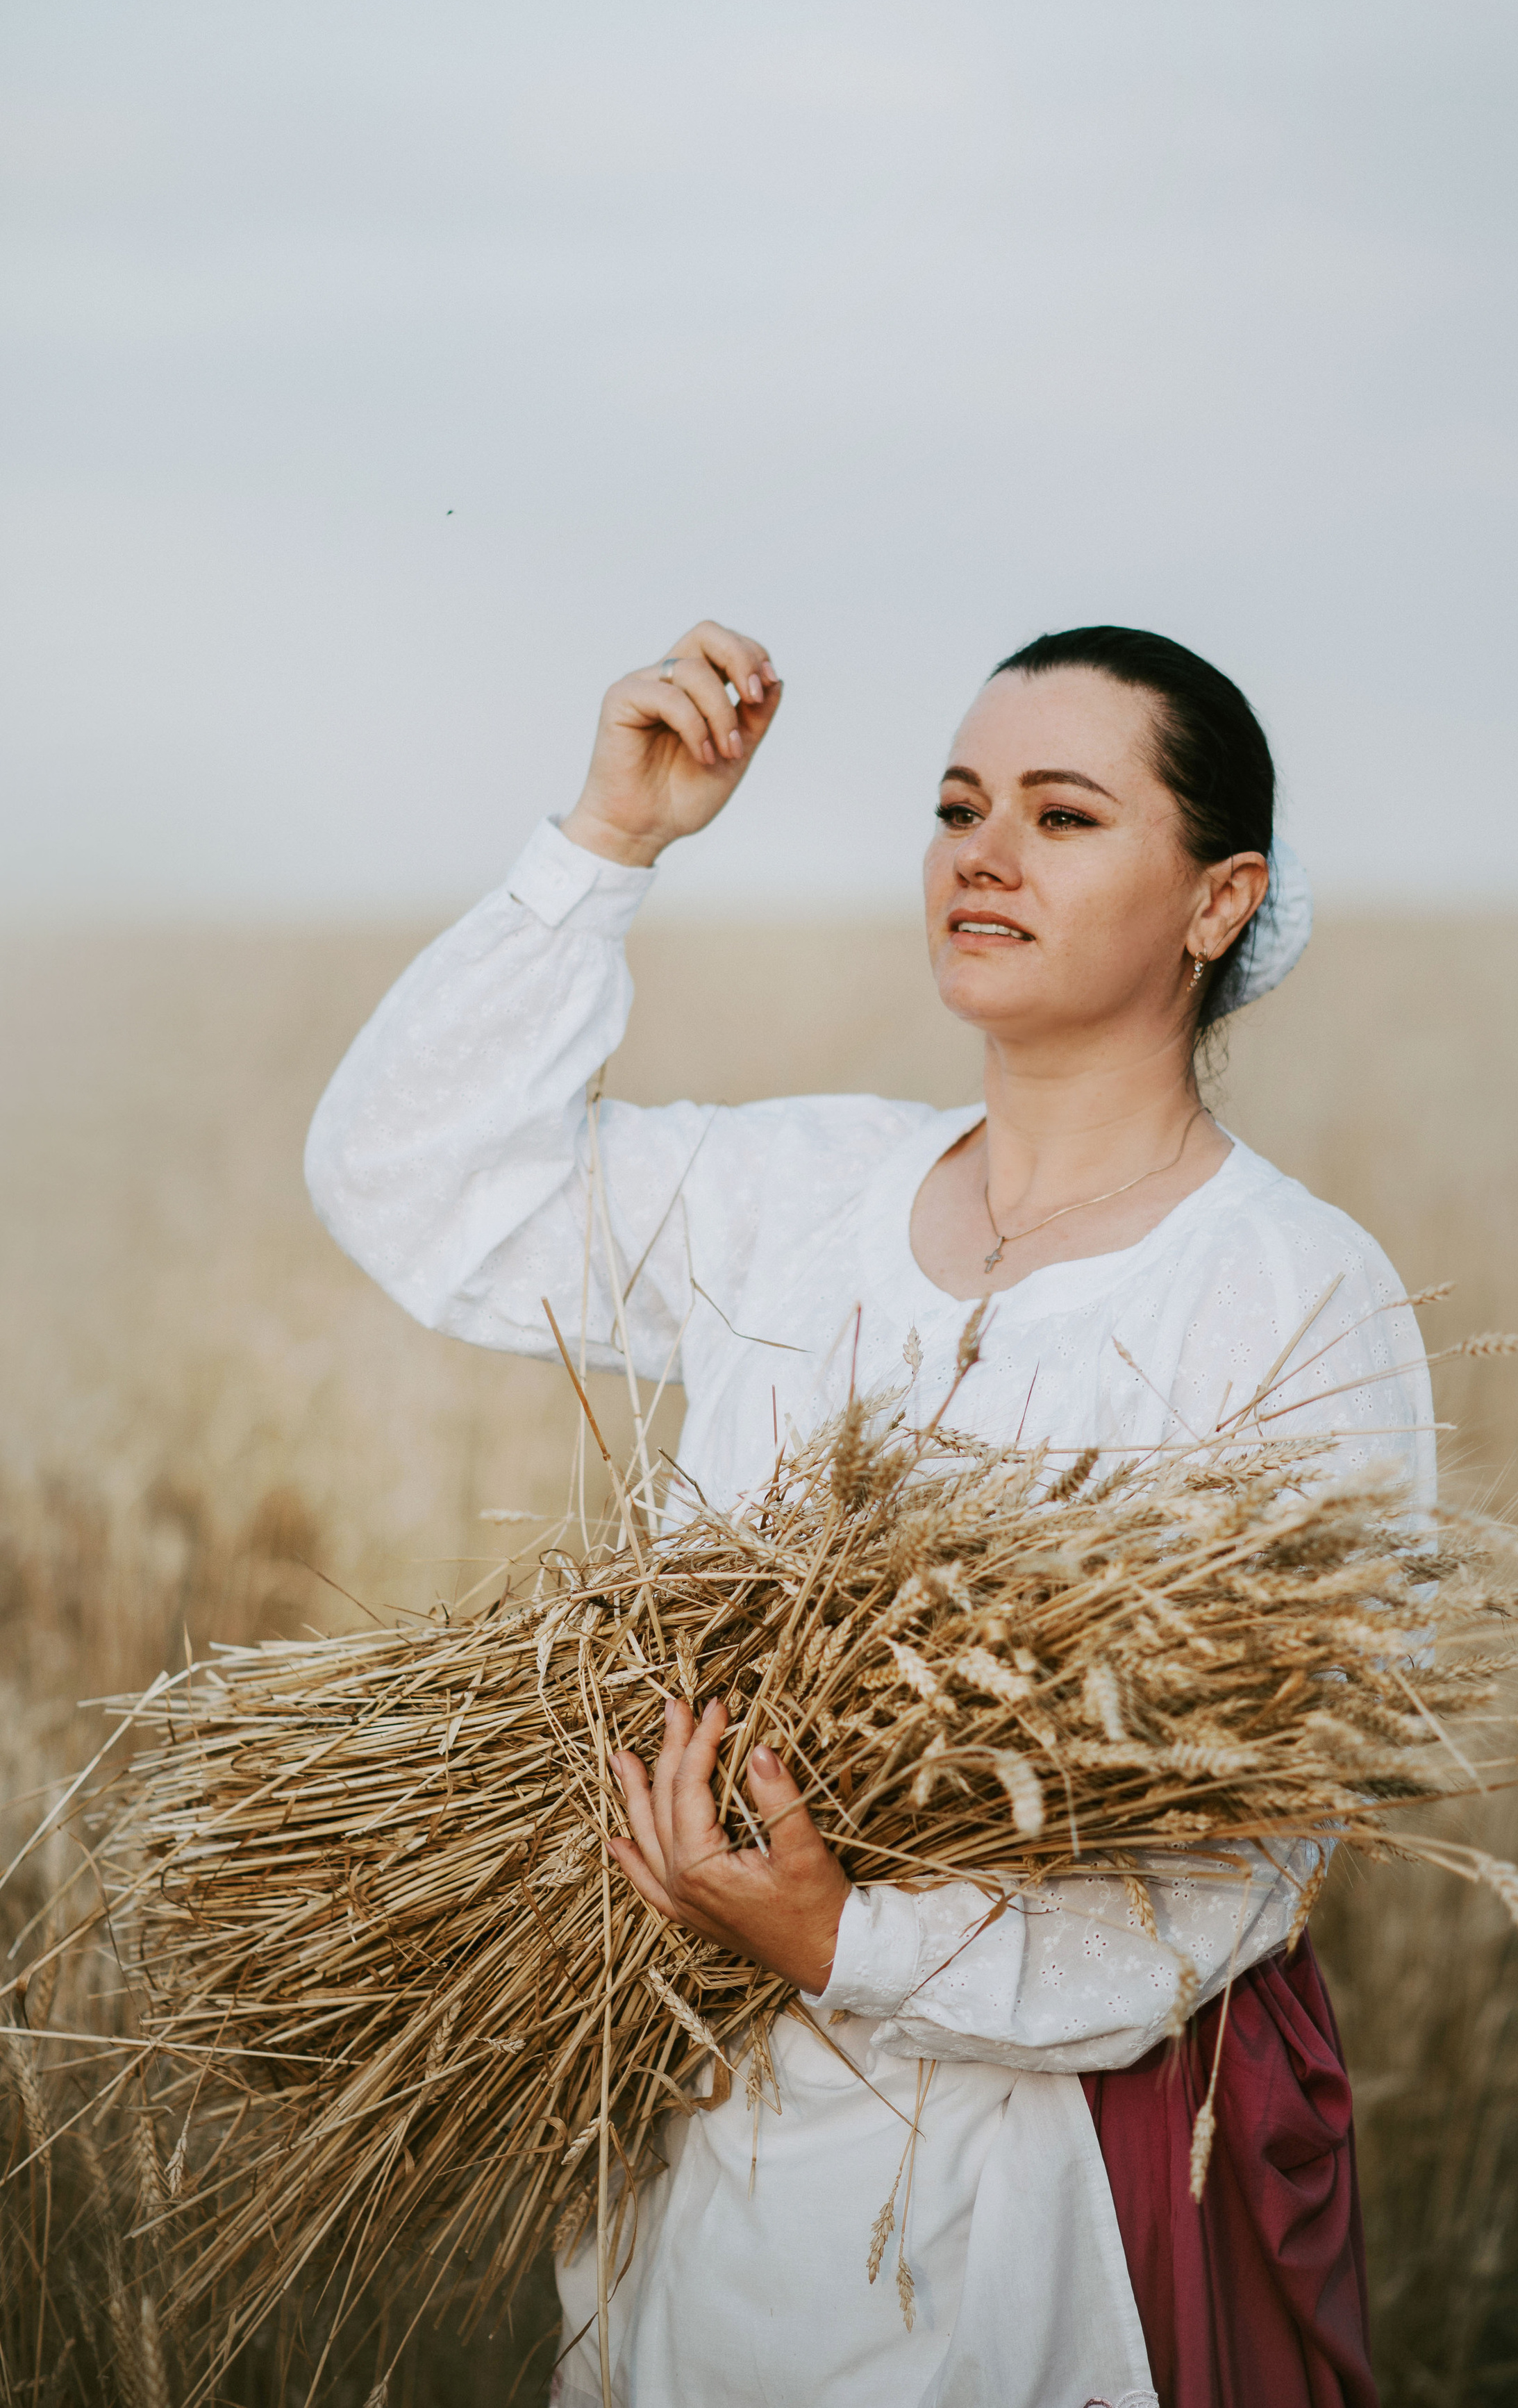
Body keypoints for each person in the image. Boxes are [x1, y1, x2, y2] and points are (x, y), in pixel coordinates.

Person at [305, 621, 1433, 2408]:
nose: (979, 854)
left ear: (1219, 900)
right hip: (702, 2141)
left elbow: (1239, 1861)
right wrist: (606, 842)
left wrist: (847, 1940)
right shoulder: (802, 1194)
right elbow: (411, 1185)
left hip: (1032, 2200)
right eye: (955, 804)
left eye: (1062, 817)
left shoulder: (1289, 1298)